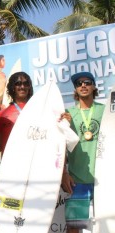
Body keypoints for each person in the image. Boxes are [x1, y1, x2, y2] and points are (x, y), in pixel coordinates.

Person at [60, 72, 104, 233]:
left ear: (93, 87)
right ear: (75, 89)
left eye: (87, 82)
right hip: (77, 179)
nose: (83, 85)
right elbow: (59, 147)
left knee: (108, 225)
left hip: (104, 180)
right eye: (79, 84)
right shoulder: (67, 114)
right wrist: (64, 173)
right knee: (74, 227)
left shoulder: (106, 111)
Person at [0, 72, 33, 154]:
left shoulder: (37, 109)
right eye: (18, 84)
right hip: (10, 162)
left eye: (26, 83)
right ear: (13, 87)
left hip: (32, 161)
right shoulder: (1, 114)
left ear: (29, 87)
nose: (22, 87)